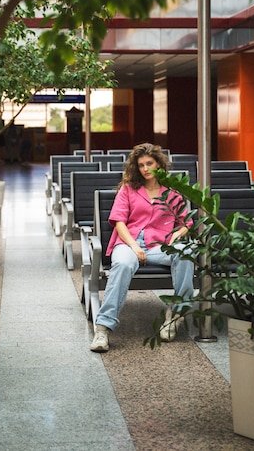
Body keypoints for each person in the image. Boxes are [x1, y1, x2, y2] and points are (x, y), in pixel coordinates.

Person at [90, 142, 194, 352]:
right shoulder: (128, 189)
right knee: (122, 265)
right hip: (129, 243)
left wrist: (177, 233)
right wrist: (134, 247)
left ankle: (175, 313)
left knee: (186, 253)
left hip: (160, 245)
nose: (145, 168)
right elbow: (119, 222)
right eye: (141, 165)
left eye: (150, 163)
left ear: (159, 164)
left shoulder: (172, 192)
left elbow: (187, 223)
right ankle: (103, 328)